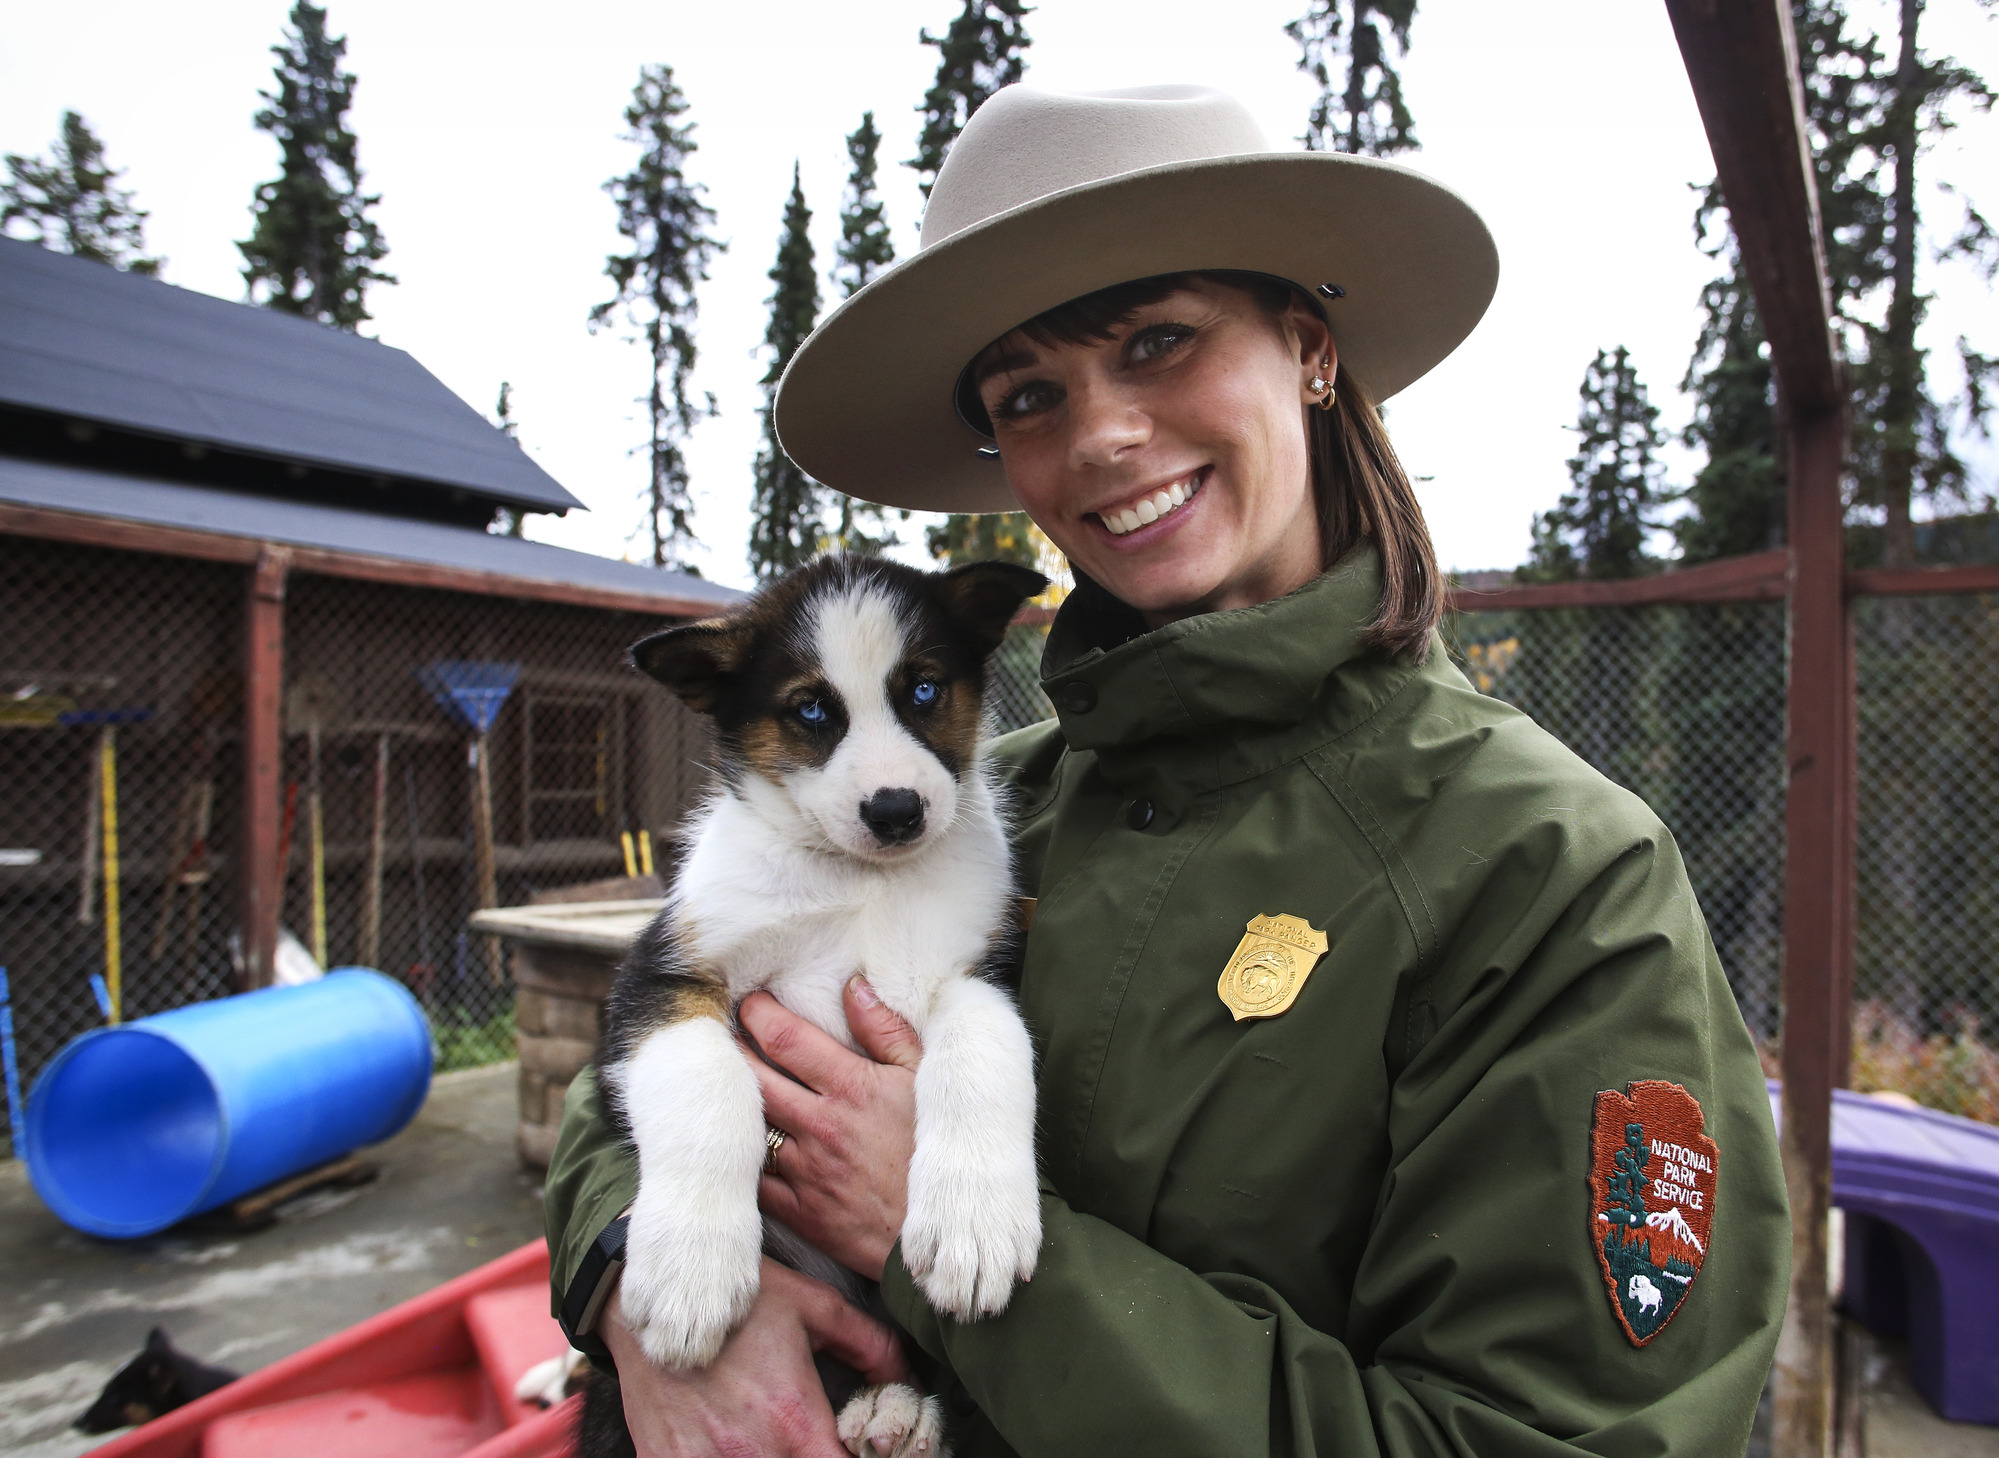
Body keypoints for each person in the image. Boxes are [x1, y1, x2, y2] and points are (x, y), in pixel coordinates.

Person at [545, 83, 1790, 1457]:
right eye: (1032, 393)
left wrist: (964, 1257)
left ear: (1309, 349)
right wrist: (635, 1283)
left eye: (1159, 339)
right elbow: (657, 1037)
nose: (1103, 435)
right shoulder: (984, 809)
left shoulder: (1550, 876)